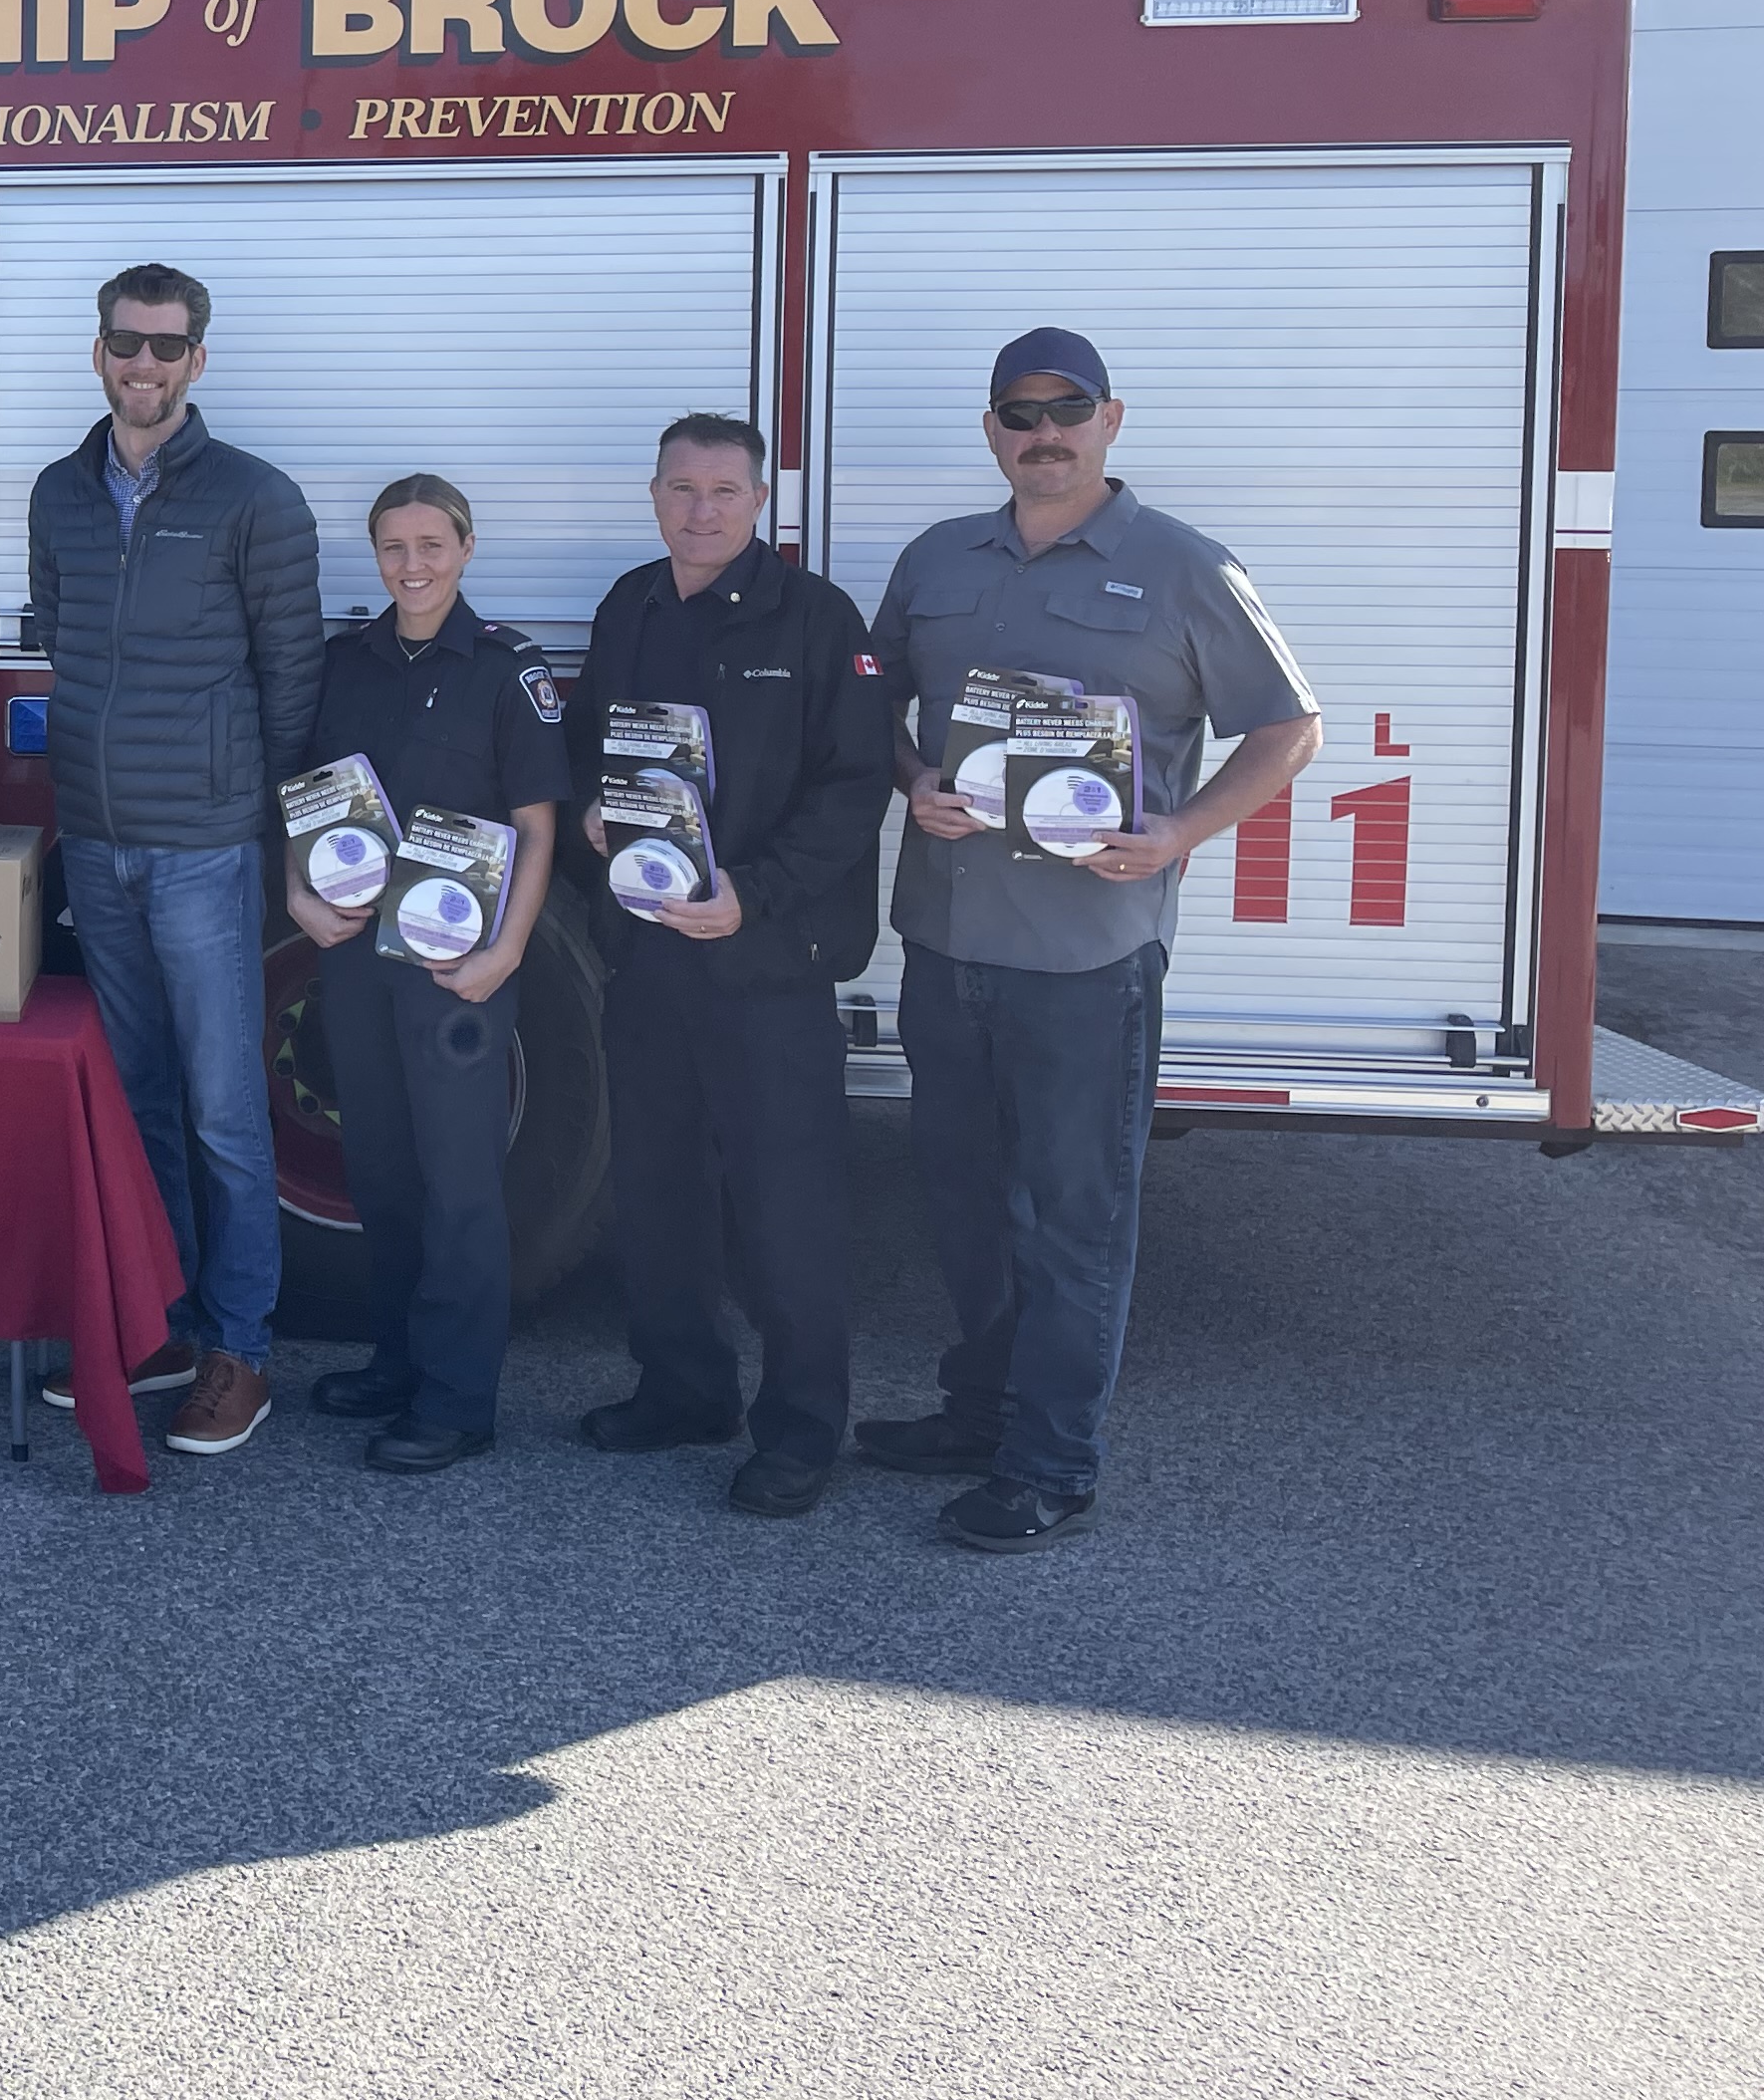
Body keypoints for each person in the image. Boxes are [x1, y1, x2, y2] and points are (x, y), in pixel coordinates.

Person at [866, 332, 1320, 1552]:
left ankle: (1054, 1463)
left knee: (1076, 1214)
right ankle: (981, 1415)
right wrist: (912, 778)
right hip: (946, 940)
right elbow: (877, 703)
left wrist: (1178, 832)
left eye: (1067, 410)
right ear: (992, 428)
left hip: (1087, 958)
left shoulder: (1183, 568)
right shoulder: (937, 558)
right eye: (1020, 412)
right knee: (963, 1199)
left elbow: (1287, 730)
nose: (1043, 432)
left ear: (1112, 419)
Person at [570, 414, 894, 1516]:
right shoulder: (631, 606)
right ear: (652, 493)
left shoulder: (818, 619)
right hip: (648, 954)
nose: (700, 510)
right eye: (680, 488)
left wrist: (751, 895)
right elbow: (591, 748)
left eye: (723, 490)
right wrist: (592, 819)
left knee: (784, 1207)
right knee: (657, 1189)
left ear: (763, 501)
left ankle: (801, 1431)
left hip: (767, 960)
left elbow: (855, 789)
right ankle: (682, 1389)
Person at [25, 262, 322, 1461]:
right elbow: (57, 633)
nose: (142, 365)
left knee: (223, 1113)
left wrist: (257, 821)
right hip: (96, 840)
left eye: (166, 346)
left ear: (199, 359)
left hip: (203, 849)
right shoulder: (58, 491)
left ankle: (239, 1351)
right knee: (138, 1099)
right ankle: (160, 1325)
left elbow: (291, 678)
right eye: (124, 344)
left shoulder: (257, 497)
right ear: (98, 352)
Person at [286, 474, 567, 1476]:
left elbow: (537, 830)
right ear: (376, 556)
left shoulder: (506, 670)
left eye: (432, 545)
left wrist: (508, 952)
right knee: (384, 1173)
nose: (413, 566)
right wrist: (297, 898)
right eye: (394, 548)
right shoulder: (344, 664)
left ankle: (458, 1399)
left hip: (459, 968)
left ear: (467, 547)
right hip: (357, 956)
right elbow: (308, 800)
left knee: (458, 1184)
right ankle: (398, 1359)